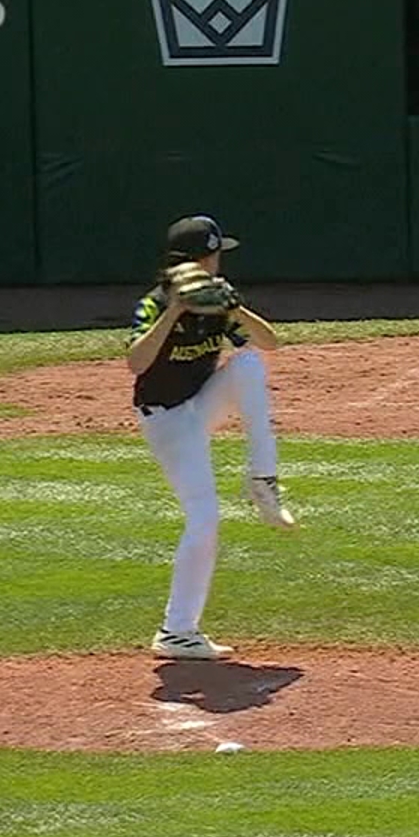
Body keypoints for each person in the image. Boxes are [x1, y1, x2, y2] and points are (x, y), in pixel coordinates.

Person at [128, 215, 296, 662]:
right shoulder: (154, 304)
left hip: (198, 405)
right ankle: (177, 631)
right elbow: (137, 363)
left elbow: (270, 342)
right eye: (216, 254)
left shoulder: (218, 305)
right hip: (166, 423)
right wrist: (176, 311)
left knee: (249, 366)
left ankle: (263, 481)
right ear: (200, 258)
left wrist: (236, 309)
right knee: (204, 518)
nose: (220, 263)